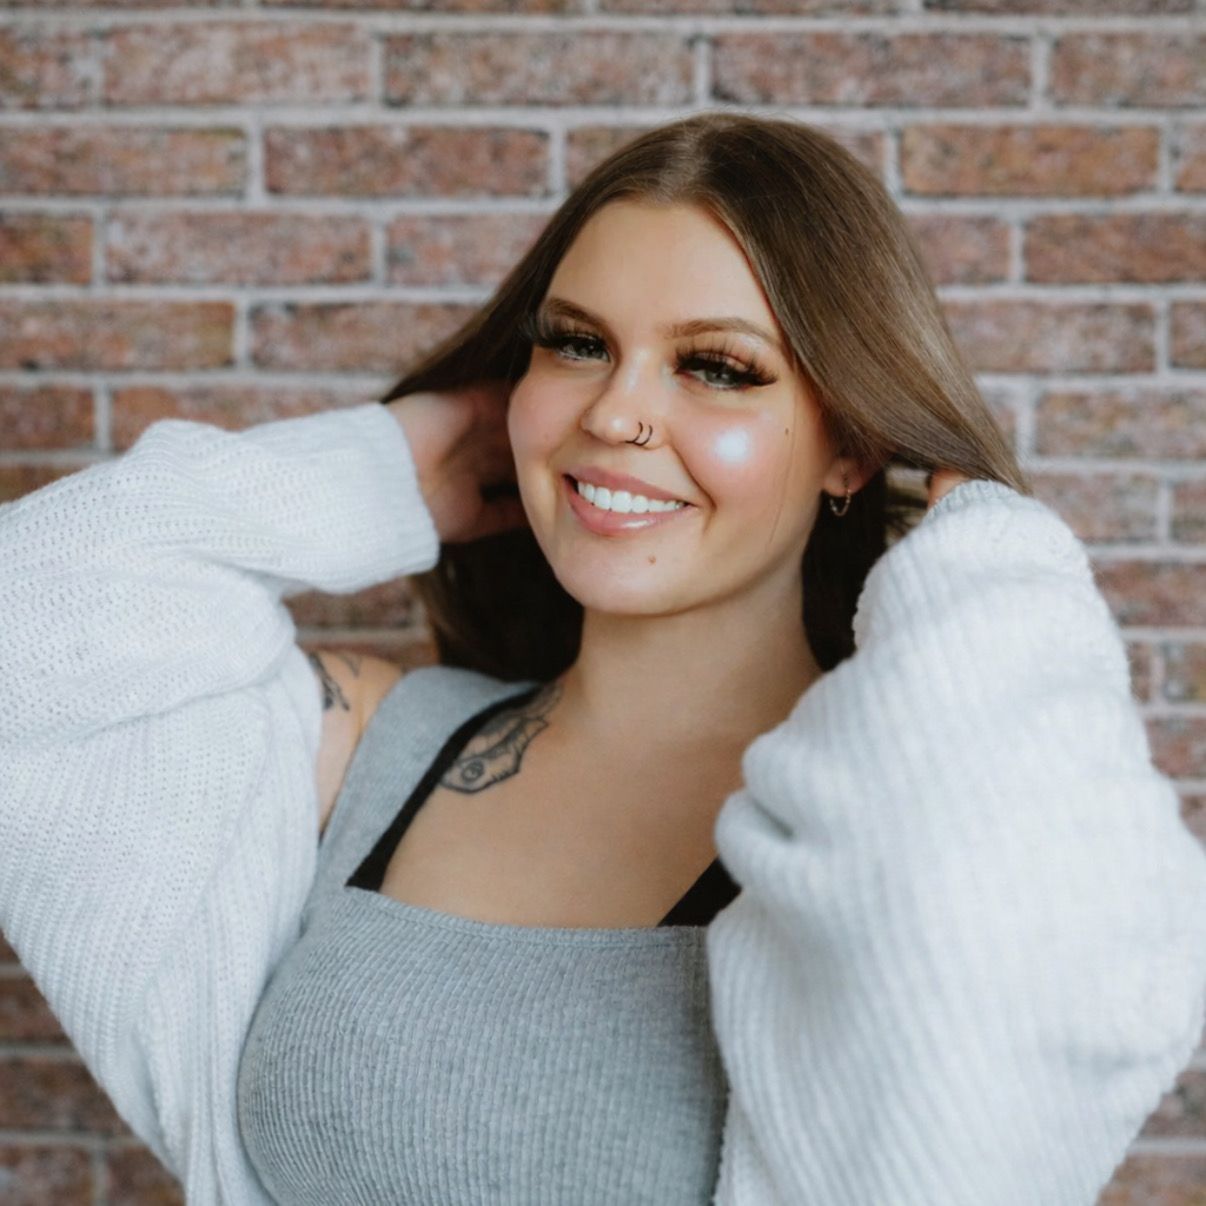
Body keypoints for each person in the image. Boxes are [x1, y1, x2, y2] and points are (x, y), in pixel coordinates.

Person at [2, 111, 1204, 1205]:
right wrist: (381, 471)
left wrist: (985, 553)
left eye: (716, 367)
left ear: (853, 447)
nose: (614, 414)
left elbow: (1061, 942)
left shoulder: (888, 836)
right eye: (576, 346)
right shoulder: (369, 744)